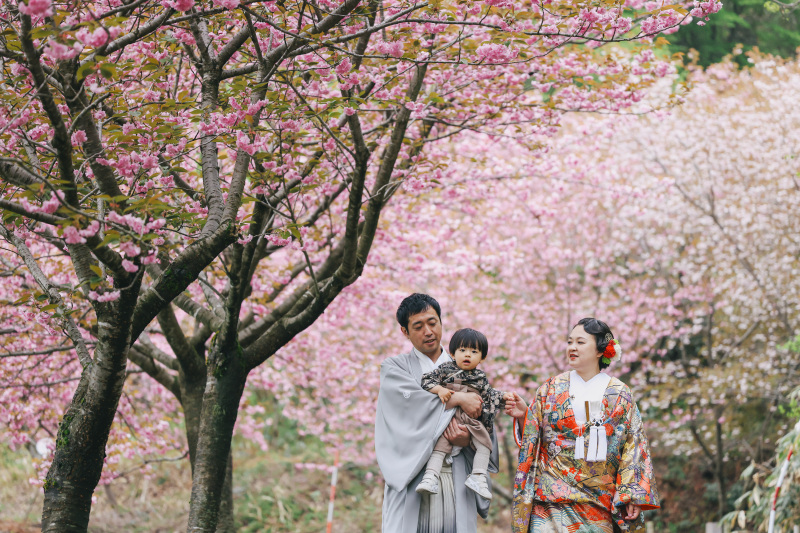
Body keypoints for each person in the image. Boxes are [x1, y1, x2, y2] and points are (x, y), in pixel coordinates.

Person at [504, 318, 660, 533]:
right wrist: (524, 416)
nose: (572, 348)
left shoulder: (620, 393)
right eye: (569, 342)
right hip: (549, 498)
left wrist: (630, 493)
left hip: (597, 500)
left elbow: (633, 446)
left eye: (580, 342)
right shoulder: (550, 388)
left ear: (600, 351)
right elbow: (534, 437)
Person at [375, 294, 499, 533]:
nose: (428, 331)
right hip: (414, 477)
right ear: (405, 331)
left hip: (457, 475)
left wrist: (468, 439)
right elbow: (411, 408)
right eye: (418, 326)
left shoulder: (468, 367)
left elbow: (483, 415)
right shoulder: (394, 368)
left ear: (441, 323)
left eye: (432, 322)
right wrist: (460, 398)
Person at [416, 328, 514, 501]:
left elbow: (488, 394)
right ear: (453, 353)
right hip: (448, 418)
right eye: (462, 350)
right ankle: (430, 477)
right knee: (439, 448)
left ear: (482, 357)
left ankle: (478, 476)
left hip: (470, 420)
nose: (467, 355)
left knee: (484, 444)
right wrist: (439, 389)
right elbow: (426, 380)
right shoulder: (445, 369)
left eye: (474, 351)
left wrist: (503, 396)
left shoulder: (480, 377)